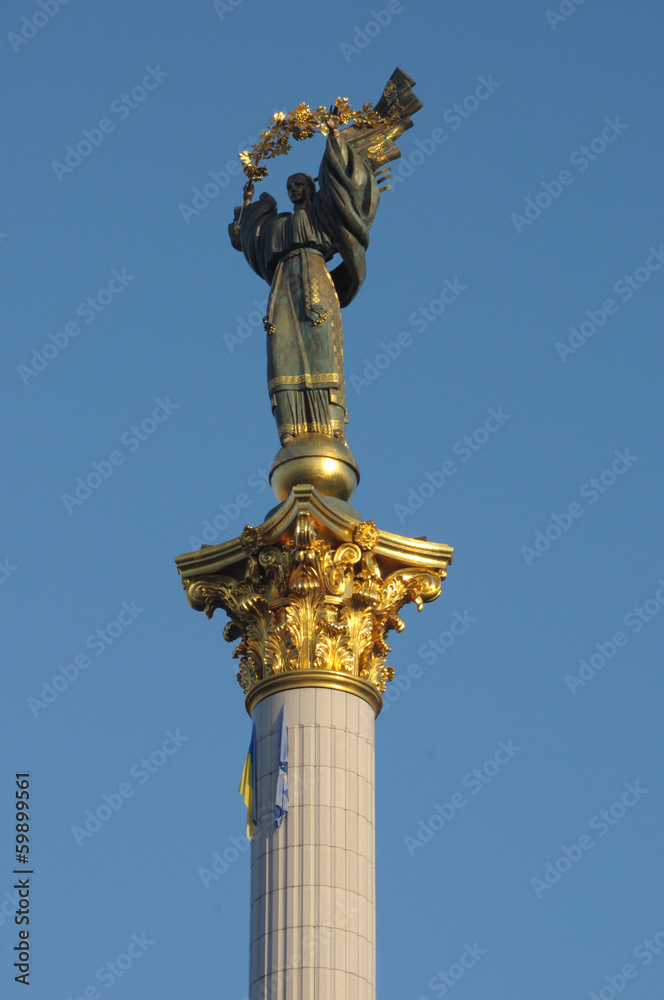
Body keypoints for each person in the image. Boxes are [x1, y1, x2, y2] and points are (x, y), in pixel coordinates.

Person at [229, 109, 380, 447]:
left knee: (322, 349)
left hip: (316, 279)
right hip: (283, 287)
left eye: (300, 185)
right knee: (282, 351)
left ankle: (332, 424)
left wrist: (334, 138)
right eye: (289, 187)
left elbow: (341, 185)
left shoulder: (321, 213)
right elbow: (250, 238)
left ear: (311, 189)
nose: (294, 190)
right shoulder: (278, 225)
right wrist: (247, 207)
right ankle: (289, 427)